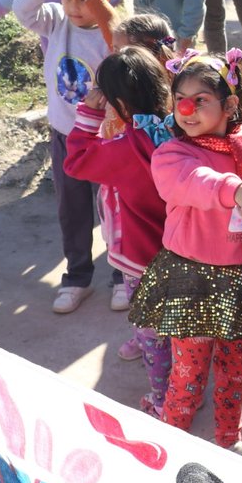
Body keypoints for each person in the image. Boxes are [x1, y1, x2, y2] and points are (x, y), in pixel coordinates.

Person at [127, 50, 242, 450]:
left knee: (234, 370)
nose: (186, 109)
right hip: (192, 281)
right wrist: (237, 190)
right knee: (188, 376)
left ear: (230, 105)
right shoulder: (172, 154)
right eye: (180, 99)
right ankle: (173, 443)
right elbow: (194, 181)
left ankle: (228, 441)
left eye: (200, 100)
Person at [65, 43, 178, 416]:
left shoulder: (126, 148)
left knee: (154, 336)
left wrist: (88, 114)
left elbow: (77, 161)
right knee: (181, 329)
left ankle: (164, 400)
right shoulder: (180, 130)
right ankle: (187, 389)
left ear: (121, 106)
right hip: (184, 253)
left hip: (140, 259)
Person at [13, 0, 118, 313]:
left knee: (113, 210)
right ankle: (77, 278)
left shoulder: (111, 34)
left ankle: (122, 275)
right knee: (72, 211)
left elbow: (120, 44)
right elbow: (21, 10)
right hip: (64, 136)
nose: (73, 7)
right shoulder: (56, 21)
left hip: (105, 140)